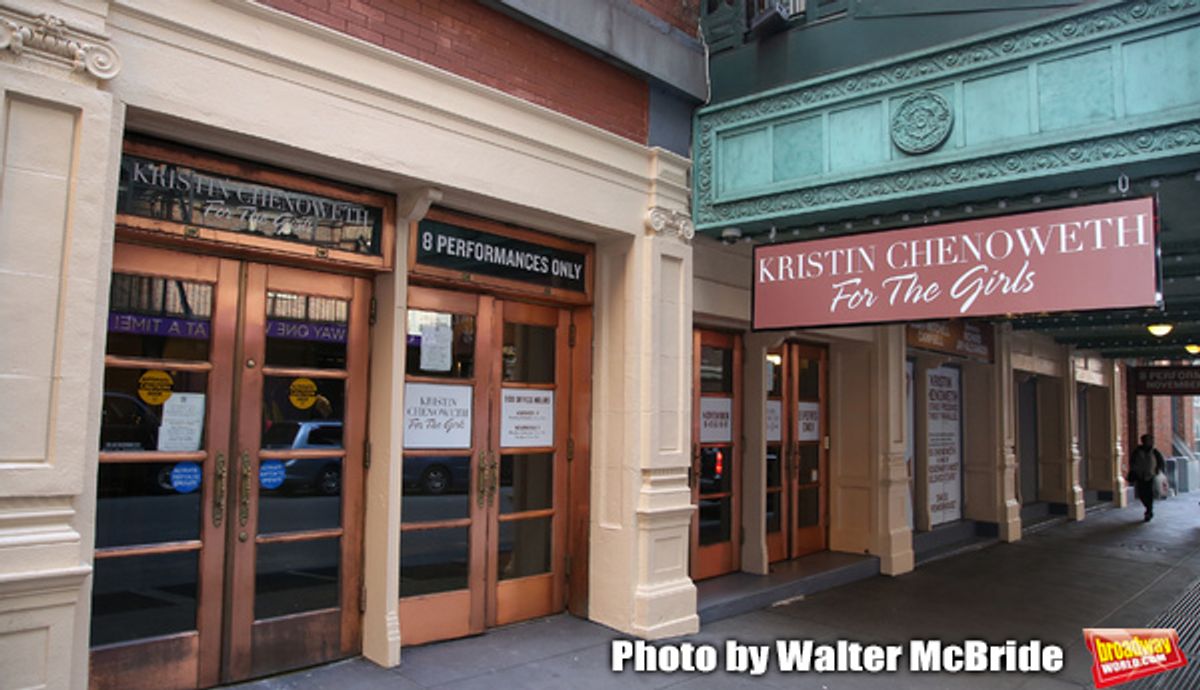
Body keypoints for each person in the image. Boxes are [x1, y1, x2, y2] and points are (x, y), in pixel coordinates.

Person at [1128, 434, 1166, 522]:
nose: (1149, 442)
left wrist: (1158, 470)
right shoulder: (1137, 451)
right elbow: (1132, 461)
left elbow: (1161, 462)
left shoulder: (1154, 452)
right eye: (1148, 440)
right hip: (1140, 476)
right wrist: (1134, 470)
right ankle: (1148, 508)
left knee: (1149, 494)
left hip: (1151, 476)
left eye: (1150, 440)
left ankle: (1149, 511)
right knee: (1141, 494)